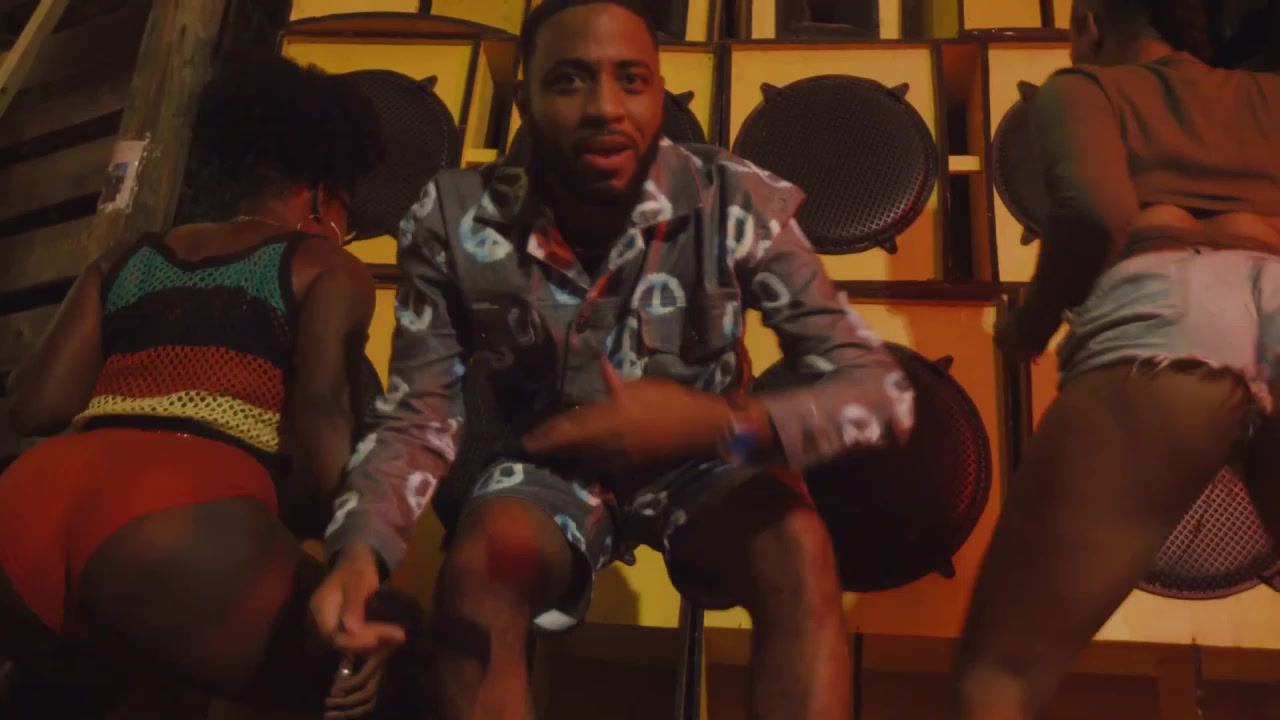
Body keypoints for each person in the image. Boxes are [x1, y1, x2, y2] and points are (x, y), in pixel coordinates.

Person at [311, 1, 915, 718]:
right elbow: (419, 413)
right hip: (545, 466)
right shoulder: (452, 217)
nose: (605, 107)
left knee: (795, 541)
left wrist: (711, 425)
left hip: (708, 459)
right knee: (479, 565)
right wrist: (361, 550)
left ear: (659, 93)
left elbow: (880, 394)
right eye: (569, 80)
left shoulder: (733, 200)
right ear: (525, 99)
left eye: (632, 79)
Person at [0, 51, 405, 718]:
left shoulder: (127, 258)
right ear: (318, 192)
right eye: (345, 208)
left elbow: (35, 405)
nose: (345, 226)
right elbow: (323, 421)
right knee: (397, 677)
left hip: (26, 512)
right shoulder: (325, 266)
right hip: (176, 518)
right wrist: (359, 555)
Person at [954, 0, 1280, 717]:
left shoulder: (1084, 87)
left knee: (1002, 676)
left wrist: (1030, 327)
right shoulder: (1267, 93)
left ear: (1090, 24)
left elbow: (1096, 214)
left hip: (1171, 313)